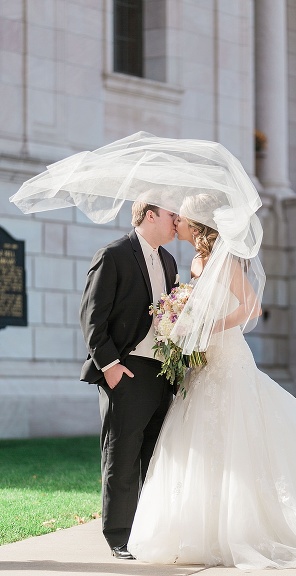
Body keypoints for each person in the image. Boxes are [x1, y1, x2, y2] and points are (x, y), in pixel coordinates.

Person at [127, 195, 296, 569]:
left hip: (229, 358)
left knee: (238, 437)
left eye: (181, 216)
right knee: (201, 441)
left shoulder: (224, 259)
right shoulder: (195, 261)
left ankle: (245, 526)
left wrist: (208, 326)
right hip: (205, 364)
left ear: (196, 224)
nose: (176, 221)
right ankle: (204, 529)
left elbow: (251, 308)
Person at [79, 200, 179, 560]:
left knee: (153, 459)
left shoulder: (169, 261)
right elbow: (92, 317)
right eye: (172, 215)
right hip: (125, 370)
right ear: (150, 215)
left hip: (161, 374)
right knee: (121, 456)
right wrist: (110, 366)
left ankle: (145, 532)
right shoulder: (114, 254)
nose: (177, 222)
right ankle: (119, 537)